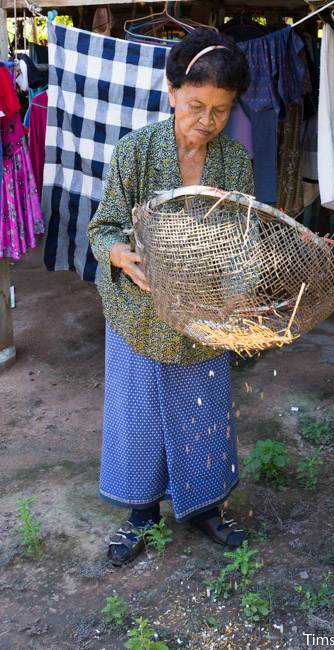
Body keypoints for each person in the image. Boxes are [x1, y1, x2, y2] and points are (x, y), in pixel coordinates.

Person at [88, 29, 253, 567]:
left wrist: (240, 287)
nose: (206, 121)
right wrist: (119, 255)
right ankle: (140, 514)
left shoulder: (235, 165)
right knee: (139, 417)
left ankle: (205, 508)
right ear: (172, 90)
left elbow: (241, 239)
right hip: (139, 313)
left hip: (204, 318)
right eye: (196, 105)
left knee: (199, 413)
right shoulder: (135, 152)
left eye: (221, 111)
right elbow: (104, 227)